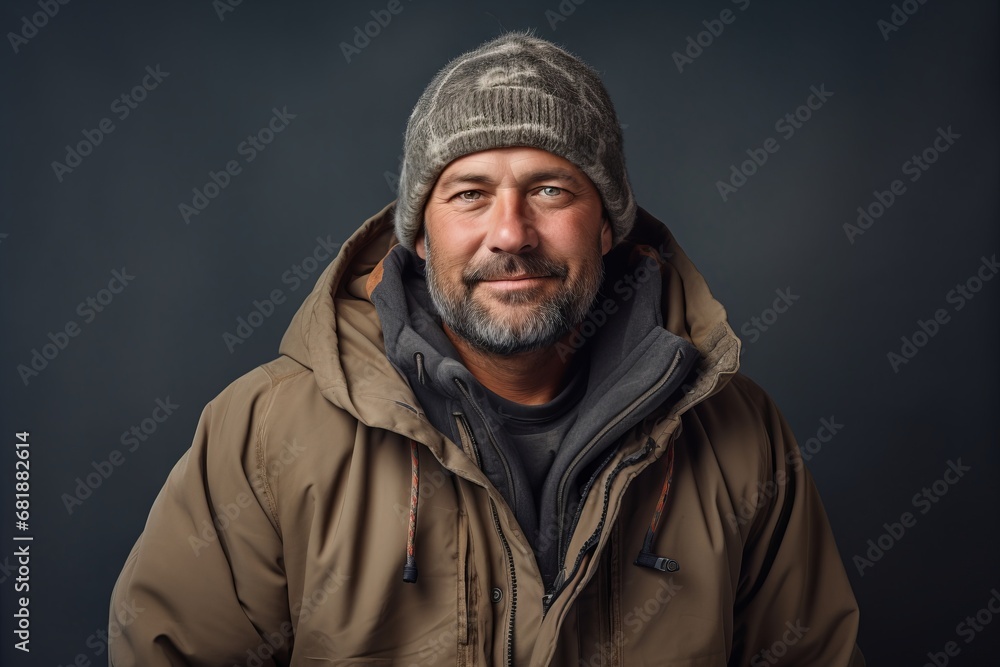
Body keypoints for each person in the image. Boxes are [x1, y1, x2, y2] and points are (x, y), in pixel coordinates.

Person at [109, 30, 865, 666]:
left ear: (607, 224)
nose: (510, 233)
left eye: (549, 190)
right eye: (469, 192)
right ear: (419, 230)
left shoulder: (739, 437)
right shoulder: (265, 432)